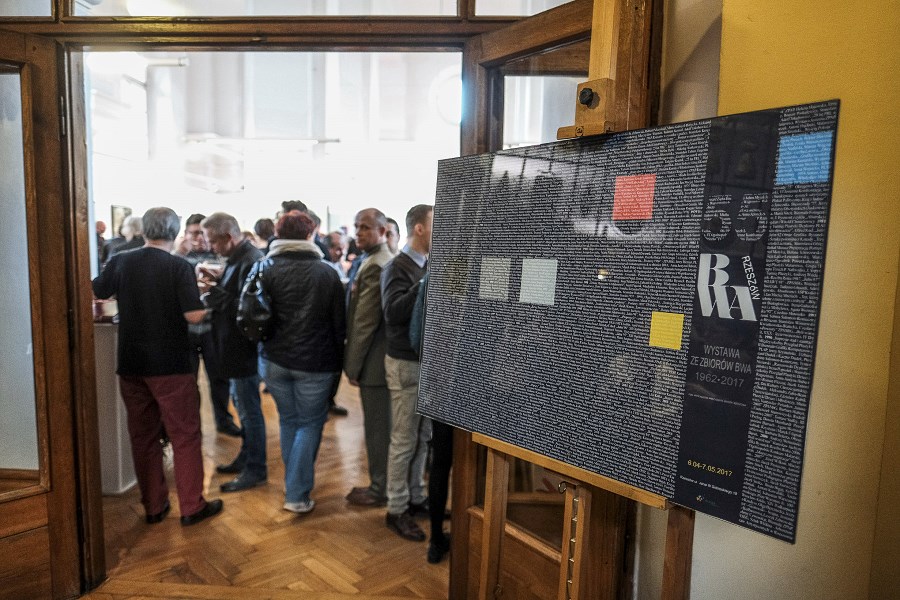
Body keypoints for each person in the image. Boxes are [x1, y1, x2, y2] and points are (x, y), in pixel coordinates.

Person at [92, 207, 223, 526]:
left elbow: (97, 291)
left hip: (131, 361)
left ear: (145, 230)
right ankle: (191, 506)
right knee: (185, 435)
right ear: (174, 231)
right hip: (171, 363)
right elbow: (193, 316)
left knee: (143, 436)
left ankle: (154, 505)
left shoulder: (121, 260)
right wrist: (215, 303)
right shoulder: (178, 266)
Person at [251, 212, 345, 514]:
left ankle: (294, 483)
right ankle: (296, 494)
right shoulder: (327, 272)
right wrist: (340, 364)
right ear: (310, 235)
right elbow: (339, 325)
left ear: (278, 235)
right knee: (309, 423)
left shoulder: (264, 267)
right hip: (316, 362)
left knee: (289, 420)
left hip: (273, 359)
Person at [200, 213, 268, 493]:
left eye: (213, 241)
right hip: (235, 349)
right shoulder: (240, 257)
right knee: (243, 408)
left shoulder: (250, 259)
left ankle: (256, 468)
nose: (210, 247)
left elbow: (248, 308)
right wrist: (217, 283)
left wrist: (212, 292)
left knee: (249, 412)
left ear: (228, 237)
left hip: (244, 351)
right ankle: (247, 457)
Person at [381, 204, 433, 542]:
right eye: (435, 224)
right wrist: (424, 286)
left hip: (425, 363)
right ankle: (396, 508)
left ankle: (416, 497)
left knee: (422, 437)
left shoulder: (426, 264)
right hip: (405, 363)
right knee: (403, 440)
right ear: (419, 228)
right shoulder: (397, 266)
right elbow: (392, 312)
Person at [344, 208, 395, 508]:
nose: (358, 233)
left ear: (382, 231)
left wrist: (352, 366)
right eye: (356, 227)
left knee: (378, 431)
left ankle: (380, 488)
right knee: (380, 429)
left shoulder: (377, 264)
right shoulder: (375, 260)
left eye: (365, 227)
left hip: (375, 363)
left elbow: (364, 322)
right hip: (379, 360)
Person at [175, 213, 241, 438]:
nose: (199, 238)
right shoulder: (178, 259)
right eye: (193, 233)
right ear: (185, 235)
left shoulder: (221, 257)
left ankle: (224, 420)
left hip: (214, 326)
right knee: (188, 381)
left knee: (219, 378)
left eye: (201, 234)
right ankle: (192, 426)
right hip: (186, 329)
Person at [409, 272, 452, 563]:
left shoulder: (435, 277)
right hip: (483, 387)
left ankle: (437, 539)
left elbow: (417, 338)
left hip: (441, 380)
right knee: (480, 466)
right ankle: (466, 535)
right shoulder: (493, 273)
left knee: (441, 463)